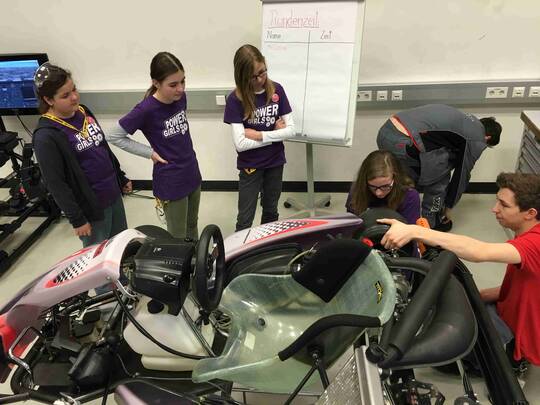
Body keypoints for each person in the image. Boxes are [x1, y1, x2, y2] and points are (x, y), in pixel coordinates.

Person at [379, 172, 540, 368]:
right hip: (504, 313)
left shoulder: (535, 243)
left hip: (516, 339)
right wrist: (478, 296)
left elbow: (479, 251)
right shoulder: (526, 234)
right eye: (497, 201)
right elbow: (526, 285)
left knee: (440, 356)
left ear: (530, 213)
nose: (494, 209)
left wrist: (415, 231)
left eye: (504, 205)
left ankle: (513, 363)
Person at [33, 63, 131, 248]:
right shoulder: (46, 136)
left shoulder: (83, 111)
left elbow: (102, 147)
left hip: (112, 193)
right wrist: (77, 219)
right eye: (65, 95)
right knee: (97, 254)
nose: (74, 97)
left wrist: (120, 176)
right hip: (91, 207)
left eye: (74, 89)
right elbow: (56, 184)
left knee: (119, 246)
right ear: (48, 99)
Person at [107, 52, 202, 240]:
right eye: (173, 85)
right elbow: (113, 135)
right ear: (156, 83)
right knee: (177, 234)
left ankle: (196, 257)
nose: (180, 88)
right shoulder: (145, 109)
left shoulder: (180, 98)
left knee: (192, 224)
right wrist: (149, 152)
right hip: (171, 179)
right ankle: (182, 259)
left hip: (191, 170)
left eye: (183, 81)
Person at [377, 104, 502, 231]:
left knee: (403, 178)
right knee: (439, 178)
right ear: (487, 137)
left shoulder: (466, 120)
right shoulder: (477, 137)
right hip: (402, 140)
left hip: (386, 131)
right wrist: (449, 206)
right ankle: (431, 223)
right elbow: (462, 175)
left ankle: (387, 217)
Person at [223, 44, 295, 231]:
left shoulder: (277, 90)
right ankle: (241, 248)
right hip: (250, 166)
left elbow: (291, 131)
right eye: (253, 76)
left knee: (271, 210)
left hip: (275, 162)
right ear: (242, 76)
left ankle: (267, 245)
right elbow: (241, 144)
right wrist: (274, 135)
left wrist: (258, 135)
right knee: (245, 218)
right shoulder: (235, 100)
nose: (260, 79)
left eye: (263, 72)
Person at [346, 150, 420, 224]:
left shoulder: (409, 195)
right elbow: (351, 225)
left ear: (395, 178)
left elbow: (410, 228)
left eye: (385, 186)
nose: (378, 193)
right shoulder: (357, 190)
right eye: (372, 186)